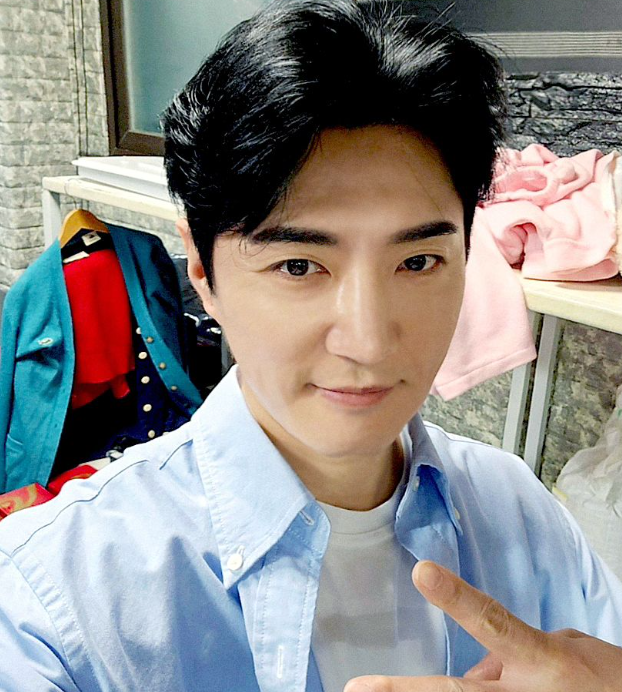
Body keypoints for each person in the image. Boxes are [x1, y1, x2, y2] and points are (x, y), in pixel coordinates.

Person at [0, 1, 621, 691]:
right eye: (299, 266)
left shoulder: (523, 517)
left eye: (417, 262)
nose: (368, 340)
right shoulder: (52, 605)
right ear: (202, 271)